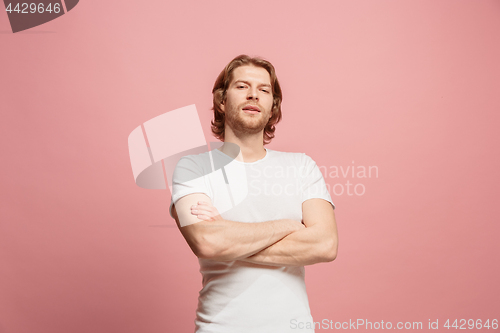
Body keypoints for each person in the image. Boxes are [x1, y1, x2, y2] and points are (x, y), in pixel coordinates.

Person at [169, 54, 338, 333]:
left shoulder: (301, 166)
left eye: (264, 90)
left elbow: (325, 245)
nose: (253, 95)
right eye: (241, 86)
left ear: (273, 107)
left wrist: (229, 237)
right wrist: (289, 226)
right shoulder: (193, 168)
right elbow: (208, 243)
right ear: (222, 102)